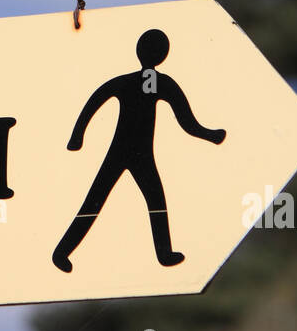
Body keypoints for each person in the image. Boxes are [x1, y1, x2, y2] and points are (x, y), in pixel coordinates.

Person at [53, 28, 226, 273]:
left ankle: (164, 253)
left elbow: (187, 121)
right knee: (102, 201)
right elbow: (96, 100)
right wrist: (76, 137)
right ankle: (61, 253)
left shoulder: (142, 82)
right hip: (128, 151)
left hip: (138, 154)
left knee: (142, 200)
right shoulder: (155, 83)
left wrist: (210, 134)